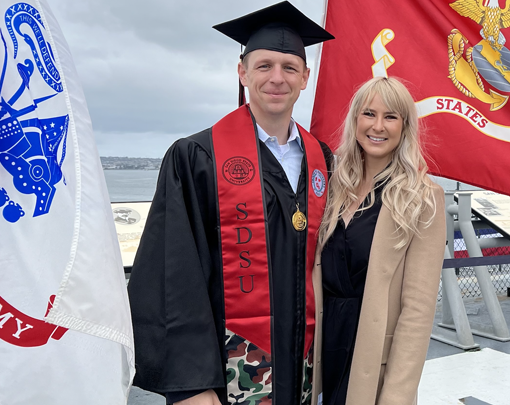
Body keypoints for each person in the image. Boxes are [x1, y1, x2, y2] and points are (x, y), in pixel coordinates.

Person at [127, 2, 334, 405]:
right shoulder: (197, 157)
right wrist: (191, 387)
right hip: (224, 374)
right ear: (242, 72)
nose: (277, 78)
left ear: (305, 77)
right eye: (264, 66)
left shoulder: (322, 160)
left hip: (302, 367)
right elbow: (174, 275)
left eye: (290, 67)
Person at [313, 77, 446, 405]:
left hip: (372, 358)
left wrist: (397, 395)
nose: (378, 126)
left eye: (390, 117)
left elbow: (417, 309)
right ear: (355, 119)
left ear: (405, 127)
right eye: (369, 114)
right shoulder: (330, 187)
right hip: (320, 350)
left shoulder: (423, 197)